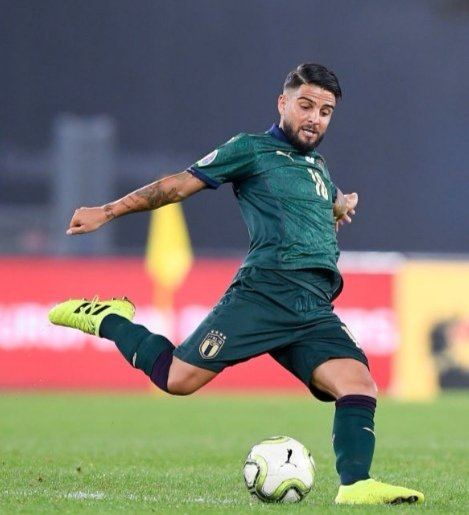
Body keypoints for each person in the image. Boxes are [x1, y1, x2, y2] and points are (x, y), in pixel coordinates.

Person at [49, 63, 424, 505]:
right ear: (282, 103)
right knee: (176, 379)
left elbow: (318, 200)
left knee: (358, 384)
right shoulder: (250, 149)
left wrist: (339, 205)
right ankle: (110, 319)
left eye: (325, 112)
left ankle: (356, 485)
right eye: (305, 106)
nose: (314, 118)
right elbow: (177, 186)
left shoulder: (318, 167)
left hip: (313, 306)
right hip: (264, 293)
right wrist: (107, 211)